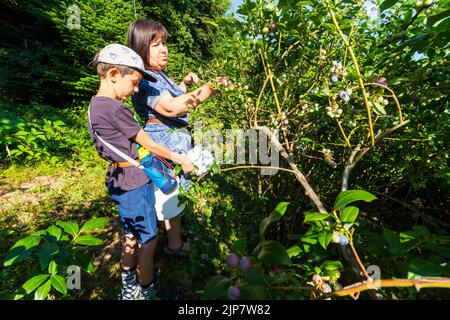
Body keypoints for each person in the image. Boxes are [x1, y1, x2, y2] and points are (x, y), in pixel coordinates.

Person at [87, 43, 194, 300]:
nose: (135, 89)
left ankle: (128, 287)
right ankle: (147, 291)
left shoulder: (95, 106)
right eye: (133, 82)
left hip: (118, 179)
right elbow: (151, 144)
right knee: (148, 241)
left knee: (129, 234)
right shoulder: (115, 109)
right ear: (114, 74)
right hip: (135, 182)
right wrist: (179, 158)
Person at [127, 19, 229, 257]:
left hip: (174, 142)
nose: (164, 50)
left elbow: (172, 98)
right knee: (170, 196)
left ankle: (172, 238)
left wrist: (183, 84)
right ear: (141, 48)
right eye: (156, 45)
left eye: (164, 44)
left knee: (175, 193)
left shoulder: (159, 76)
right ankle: (174, 246)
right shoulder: (146, 80)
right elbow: (171, 108)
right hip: (165, 146)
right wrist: (210, 88)